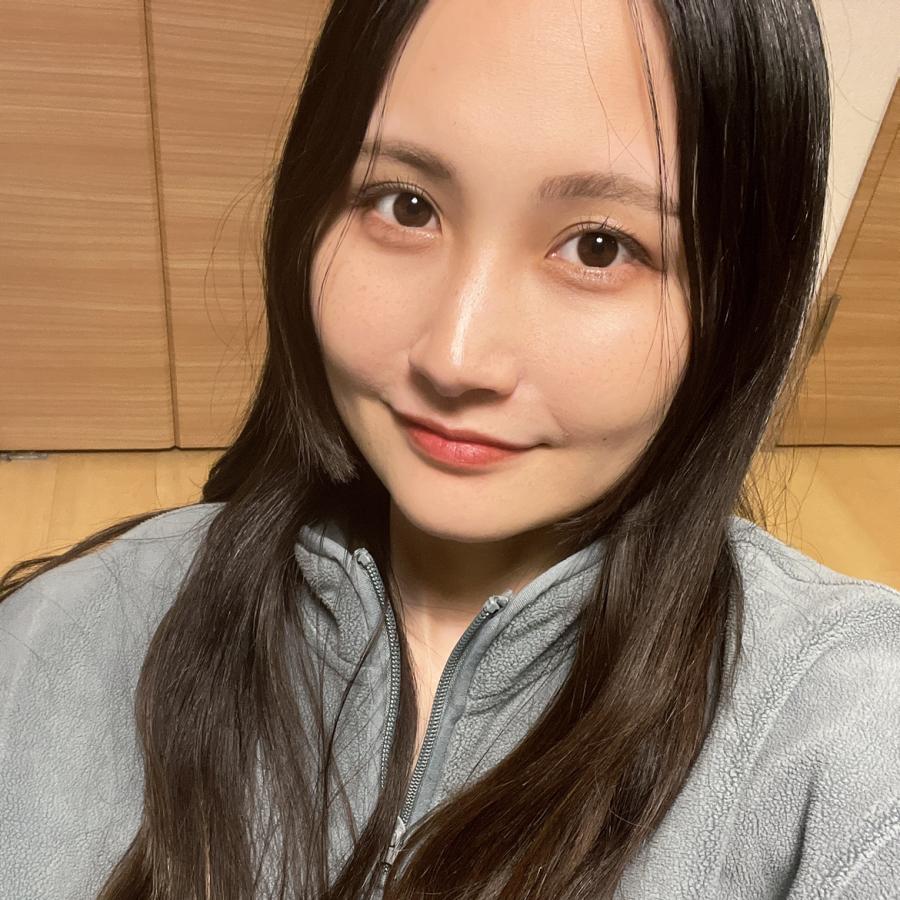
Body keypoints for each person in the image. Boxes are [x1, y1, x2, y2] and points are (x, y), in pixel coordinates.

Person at [1, 0, 898, 897]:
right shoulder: (60, 635)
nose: (455, 358)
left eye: (599, 247)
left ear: (740, 304)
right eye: (406, 206)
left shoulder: (839, 720)